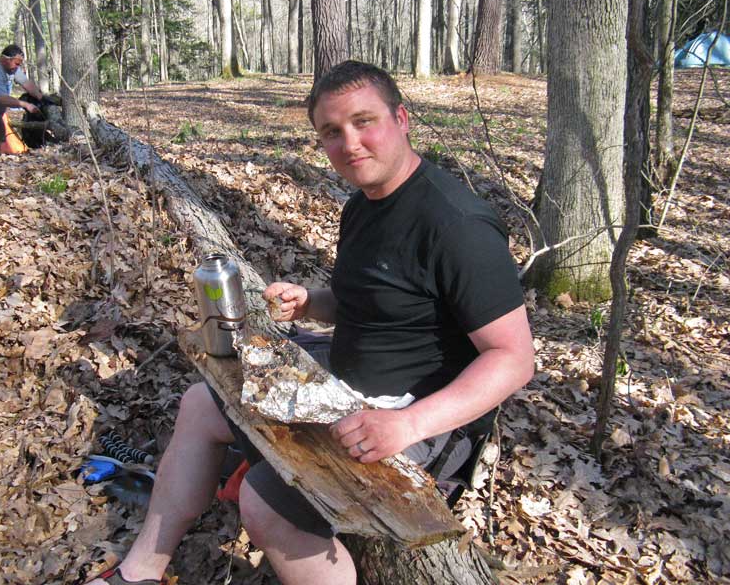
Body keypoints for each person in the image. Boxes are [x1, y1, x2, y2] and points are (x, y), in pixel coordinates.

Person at [85, 61, 534, 585]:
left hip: (417, 418)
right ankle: (141, 571)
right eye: (332, 132)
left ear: (402, 118)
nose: (350, 143)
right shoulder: (363, 205)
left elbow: (513, 358)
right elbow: (372, 304)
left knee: (262, 504)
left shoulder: (457, 225)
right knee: (201, 403)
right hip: (345, 386)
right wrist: (311, 303)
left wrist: (409, 425)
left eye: (364, 121)